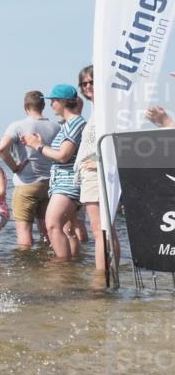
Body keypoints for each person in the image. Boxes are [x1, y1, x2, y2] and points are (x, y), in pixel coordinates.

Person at [20, 84, 86, 260]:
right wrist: (41, 145)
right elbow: (59, 155)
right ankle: (72, 269)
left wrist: (37, 145)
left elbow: (63, 156)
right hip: (64, 182)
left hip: (67, 184)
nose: (51, 105)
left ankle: (62, 268)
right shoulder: (67, 125)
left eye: (54, 101)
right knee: (67, 229)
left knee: (52, 226)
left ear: (63, 102)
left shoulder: (75, 123)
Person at [0, 91, 61, 249]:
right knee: (48, 231)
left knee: (24, 232)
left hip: (26, 184)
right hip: (49, 185)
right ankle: (52, 263)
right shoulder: (56, 126)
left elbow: (2, 148)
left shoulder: (18, 126)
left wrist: (14, 167)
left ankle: (27, 268)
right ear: (43, 106)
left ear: (25, 106)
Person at [73, 66, 121, 273]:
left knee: (100, 230)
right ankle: (109, 274)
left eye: (92, 82)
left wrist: (99, 161)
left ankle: (102, 278)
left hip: (98, 174)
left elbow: (116, 139)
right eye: (84, 83)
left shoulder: (107, 109)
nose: (88, 86)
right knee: (105, 229)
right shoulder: (97, 110)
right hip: (92, 174)